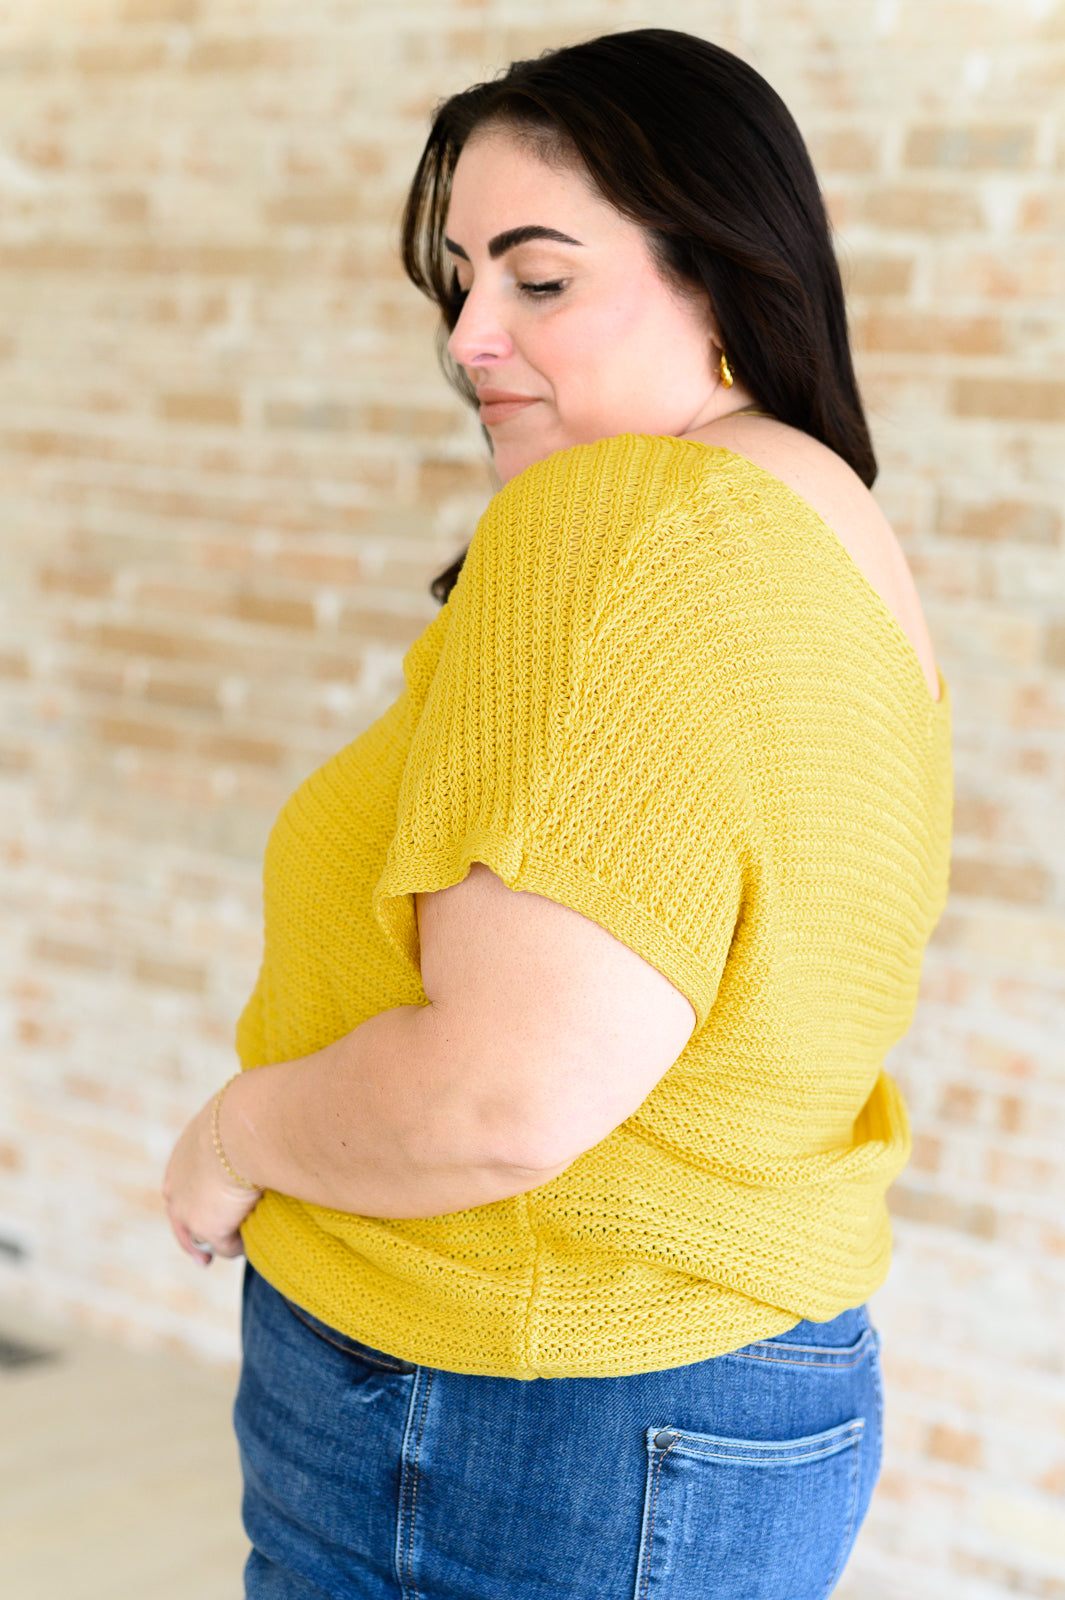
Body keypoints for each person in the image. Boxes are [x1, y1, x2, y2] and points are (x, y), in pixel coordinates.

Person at [162, 27, 952, 1600]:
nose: (470, 338)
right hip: (719, 1372)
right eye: (460, 281)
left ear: (719, 278)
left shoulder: (625, 521)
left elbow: (500, 1098)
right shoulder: (816, 511)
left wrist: (233, 1134)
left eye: (539, 280)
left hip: (514, 1397)